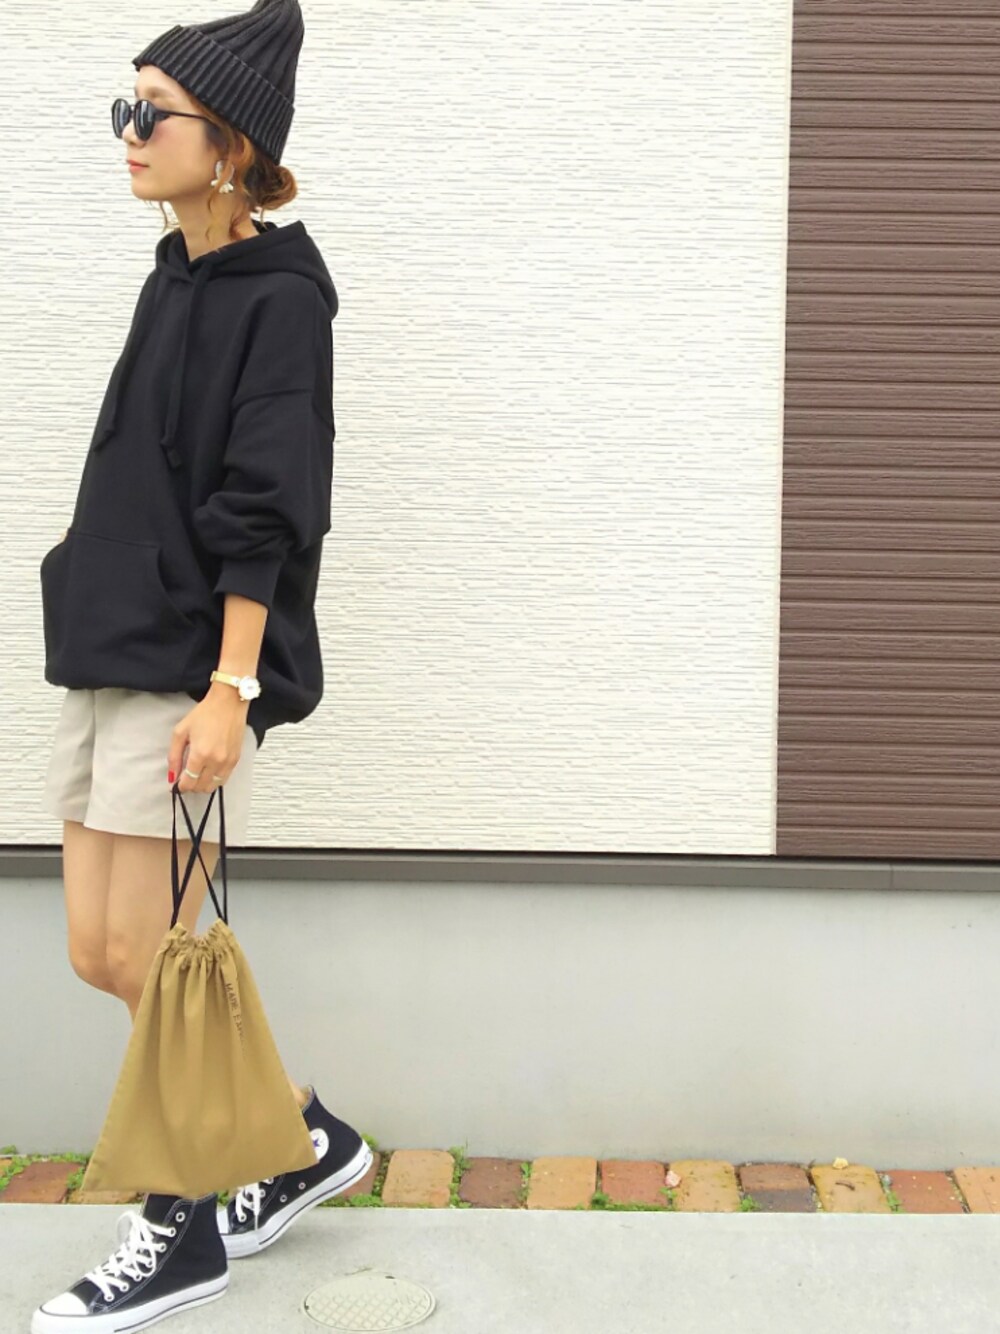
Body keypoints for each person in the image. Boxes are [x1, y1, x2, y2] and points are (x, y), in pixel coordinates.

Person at [32, 3, 372, 1330]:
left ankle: (180, 1226)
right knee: (99, 950)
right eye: (124, 107)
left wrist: (233, 688)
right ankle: (301, 1136)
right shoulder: (171, 277)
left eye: (151, 112)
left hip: (187, 661)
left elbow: (265, 506)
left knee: (154, 952)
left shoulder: (280, 303)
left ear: (229, 146)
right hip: (108, 640)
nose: (128, 133)